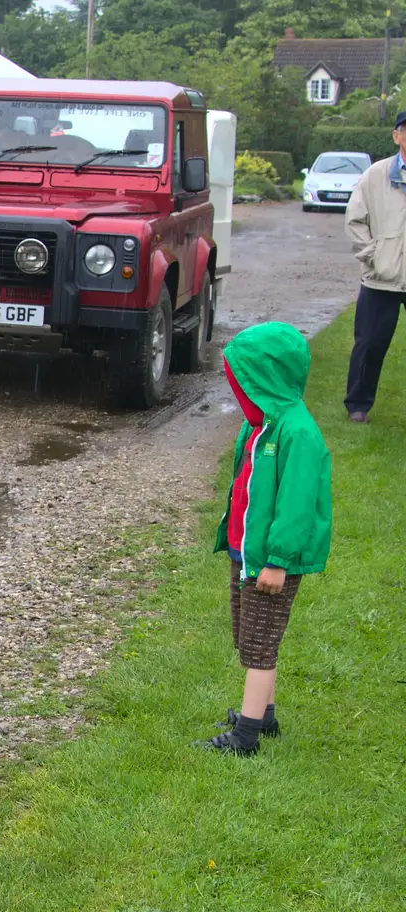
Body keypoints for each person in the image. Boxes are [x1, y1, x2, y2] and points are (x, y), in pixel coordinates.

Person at [201, 322, 332, 756]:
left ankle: (246, 737)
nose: (241, 394)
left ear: (268, 379)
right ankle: (265, 715)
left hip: (271, 559)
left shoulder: (296, 433)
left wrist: (278, 560)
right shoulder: (261, 426)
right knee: (250, 636)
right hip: (248, 551)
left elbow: (296, 506)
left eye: (246, 382)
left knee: (260, 645)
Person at [342, 109, 406, 424]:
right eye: (405, 130)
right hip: (382, 277)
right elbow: (355, 220)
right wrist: (374, 256)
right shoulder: (376, 175)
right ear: (396, 136)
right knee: (369, 344)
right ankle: (358, 405)